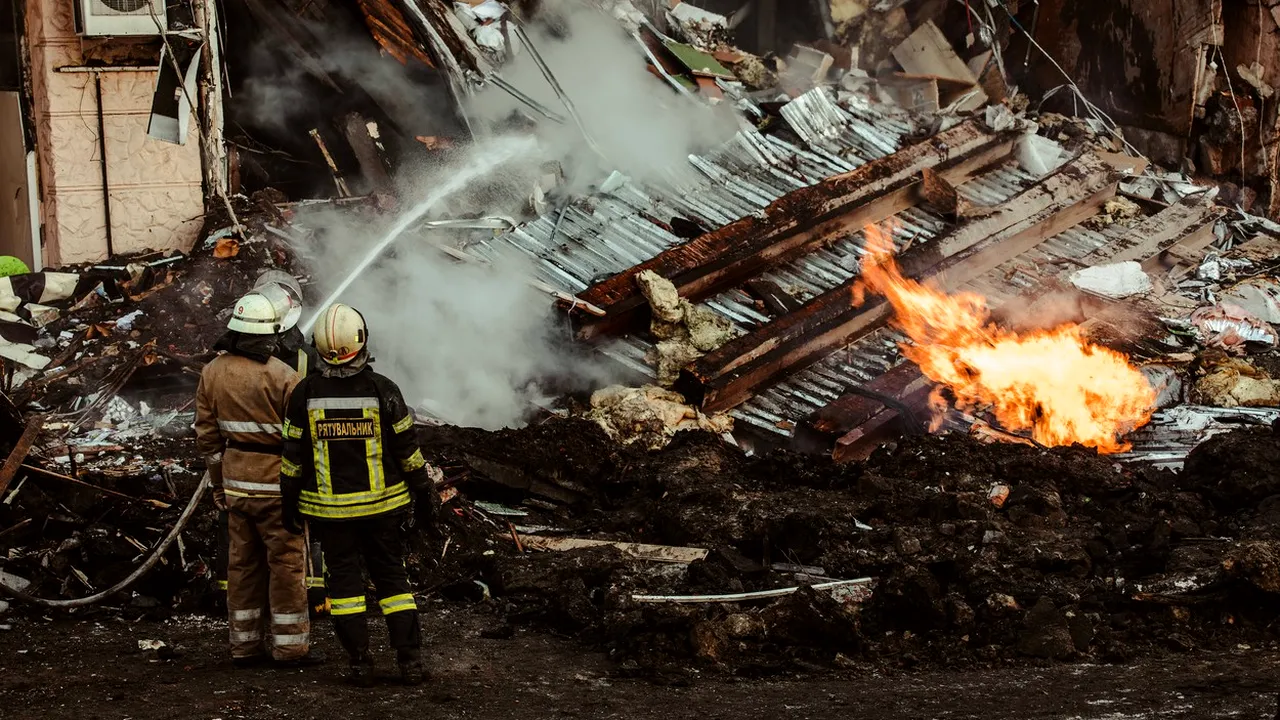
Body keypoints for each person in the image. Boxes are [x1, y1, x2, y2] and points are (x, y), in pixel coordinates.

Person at [280, 303, 440, 687]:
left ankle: (359, 663)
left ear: (319, 347)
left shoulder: (305, 394)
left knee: (346, 587)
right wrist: (424, 492)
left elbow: (291, 458)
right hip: (383, 511)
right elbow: (407, 450)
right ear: (362, 340)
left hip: (331, 516)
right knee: (392, 581)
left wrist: (289, 503)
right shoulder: (382, 390)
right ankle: (410, 661)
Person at [195, 291, 323, 669]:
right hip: (277, 488)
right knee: (286, 566)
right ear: (271, 335)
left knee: (242, 566)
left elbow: (208, 439)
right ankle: (290, 648)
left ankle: (243, 646)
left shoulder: (212, 372)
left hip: (236, 484)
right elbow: (303, 440)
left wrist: (219, 486)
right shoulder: (284, 376)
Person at [214, 273, 326, 606]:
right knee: (299, 529)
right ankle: (313, 592)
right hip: (292, 460)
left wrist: (216, 476)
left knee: (237, 536)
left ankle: (227, 593)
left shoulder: (225, 362)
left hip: (238, 467)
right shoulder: (305, 357)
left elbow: (208, 425)